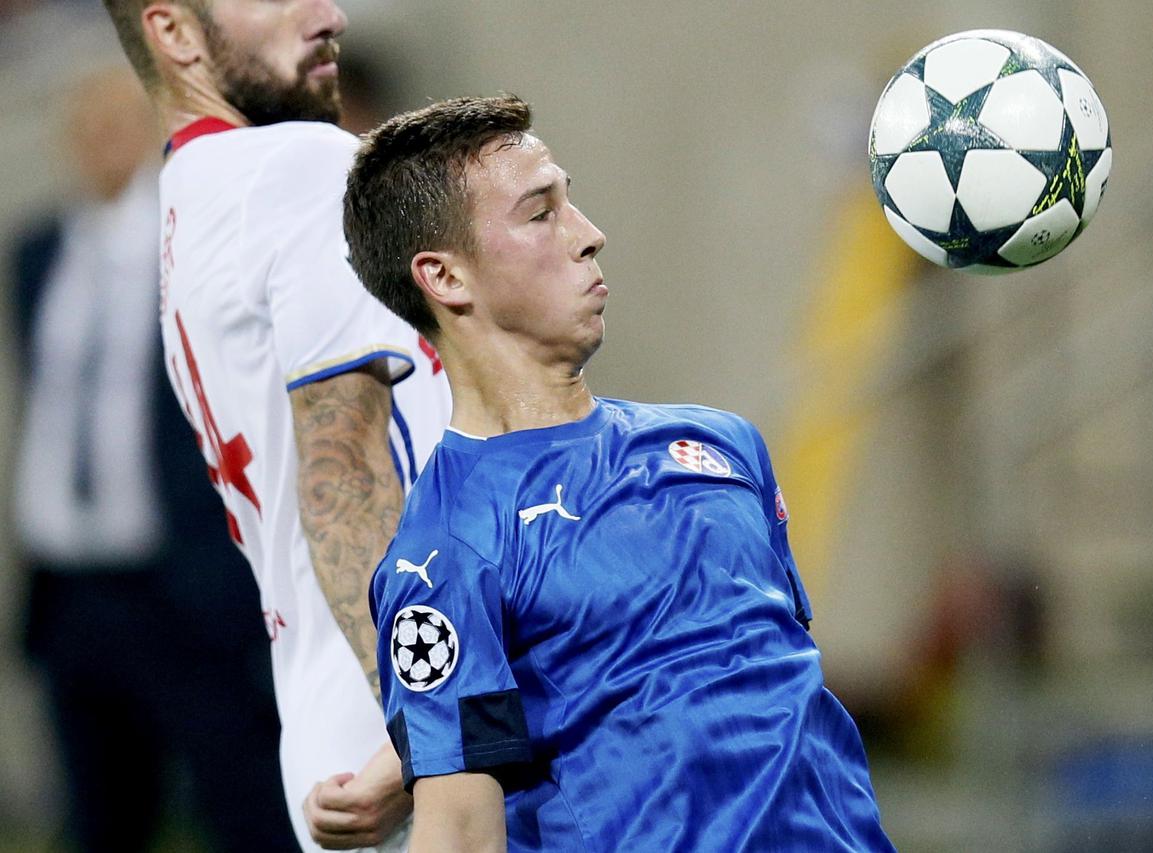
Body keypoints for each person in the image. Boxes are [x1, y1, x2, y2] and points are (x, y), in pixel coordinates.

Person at [343, 94, 895, 852]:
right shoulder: (447, 550)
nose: (590, 235)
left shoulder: (724, 446)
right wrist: (419, 746)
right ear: (444, 277)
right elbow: (461, 833)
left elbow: (757, 698)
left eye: (572, 203)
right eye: (541, 214)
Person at [98, 0, 451, 848]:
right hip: (410, 733)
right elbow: (346, 476)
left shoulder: (191, 194)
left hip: (332, 716)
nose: (328, 14)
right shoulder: (297, 166)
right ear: (173, 32)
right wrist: (429, 730)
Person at [12, 65, 297, 853]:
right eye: (87, 127)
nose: (103, 145)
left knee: (241, 801)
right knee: (98, 813)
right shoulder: (39, 254)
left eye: (119, 126)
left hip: (178, 584)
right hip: (70, 590)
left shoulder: (195, 247)